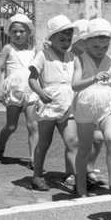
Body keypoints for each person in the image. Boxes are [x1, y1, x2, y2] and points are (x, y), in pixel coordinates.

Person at [72, 18, 111, 198]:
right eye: (96, 48)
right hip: (85, 106)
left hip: (106, 104)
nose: (100, 51)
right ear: (87, 44)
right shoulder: (80, 59)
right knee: (85, 147)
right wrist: (94, 78)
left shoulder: (110, 61)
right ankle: (80, 185)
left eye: (104, 48)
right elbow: (75, 85)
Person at [29, 15, 78, 192]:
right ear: (51, 38)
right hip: (49, 104)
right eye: (62, 39)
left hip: (68, 103)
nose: (66, 42)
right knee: (44, 142)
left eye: (69, 39)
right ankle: (37, 175)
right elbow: (32, 79)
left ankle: (72, 176)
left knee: (72, 141)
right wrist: (40, 93)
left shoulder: (72, 57)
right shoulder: (43, 55)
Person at [0, 13, 38, 166]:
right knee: (11, 126)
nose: (18, 34)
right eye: (14, 31)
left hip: (31, 91)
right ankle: (0, 147)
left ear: (28, 32)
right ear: (9, 32)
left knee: (33, 125)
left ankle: (34, 158)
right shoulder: (7, 48)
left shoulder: (34, 50)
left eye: (21, 31)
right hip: (14, 91)